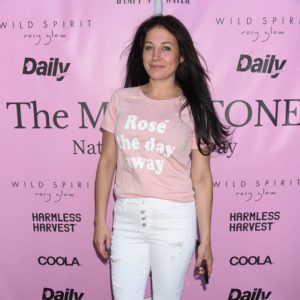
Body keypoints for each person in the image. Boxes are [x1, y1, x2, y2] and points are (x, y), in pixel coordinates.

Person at [94, 14, 230, 300]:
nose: (156, 56)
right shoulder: (121, 99)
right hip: (128, 219)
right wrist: (100, 221)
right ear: (140, 53)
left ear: (181, 56)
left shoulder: (194, 108)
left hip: (174, 220)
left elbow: (202, 178)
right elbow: (107, 163)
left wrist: (205, 240)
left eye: (166, 48)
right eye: (149, 47)